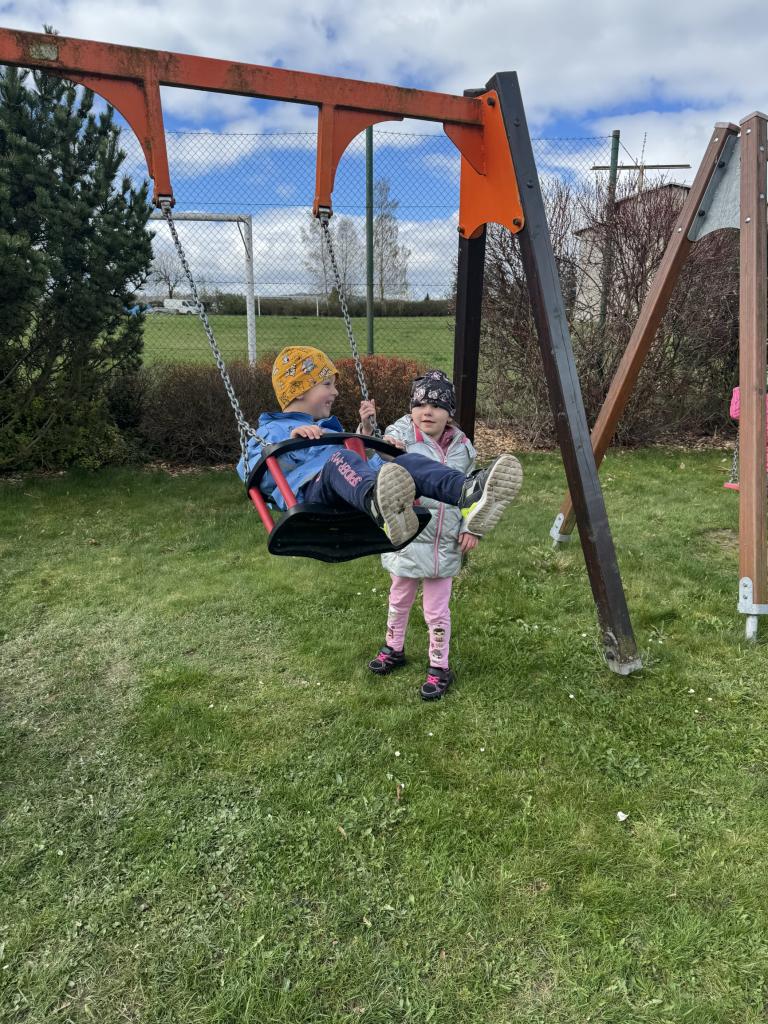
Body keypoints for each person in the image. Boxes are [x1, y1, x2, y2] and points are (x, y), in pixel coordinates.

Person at [237, 347, 523, 551]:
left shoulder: (329, 430)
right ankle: (380, 505)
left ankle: (467, 492)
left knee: (405, 461)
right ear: (299, 390)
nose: (335, 392)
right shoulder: (271, 430)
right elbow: (250, 470)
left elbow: (356, 468)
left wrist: (383, 458)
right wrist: (291, 440)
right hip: (312, 494)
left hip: (351, 492)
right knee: (340, 458)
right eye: (327, 384)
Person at [368, 370, 521, 700]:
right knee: (399, 598)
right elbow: (372, 461)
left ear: (449, 413)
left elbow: (475, 497)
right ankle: (393, 647)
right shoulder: (398, 437)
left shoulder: (463, 448)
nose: (427, 412)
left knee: (436, 611)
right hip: (408, 537)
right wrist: (372, 433)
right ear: (411, 410)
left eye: (437, 406)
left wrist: (471, 527)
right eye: (420, 405)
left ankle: (439, 666)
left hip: (444, 541)